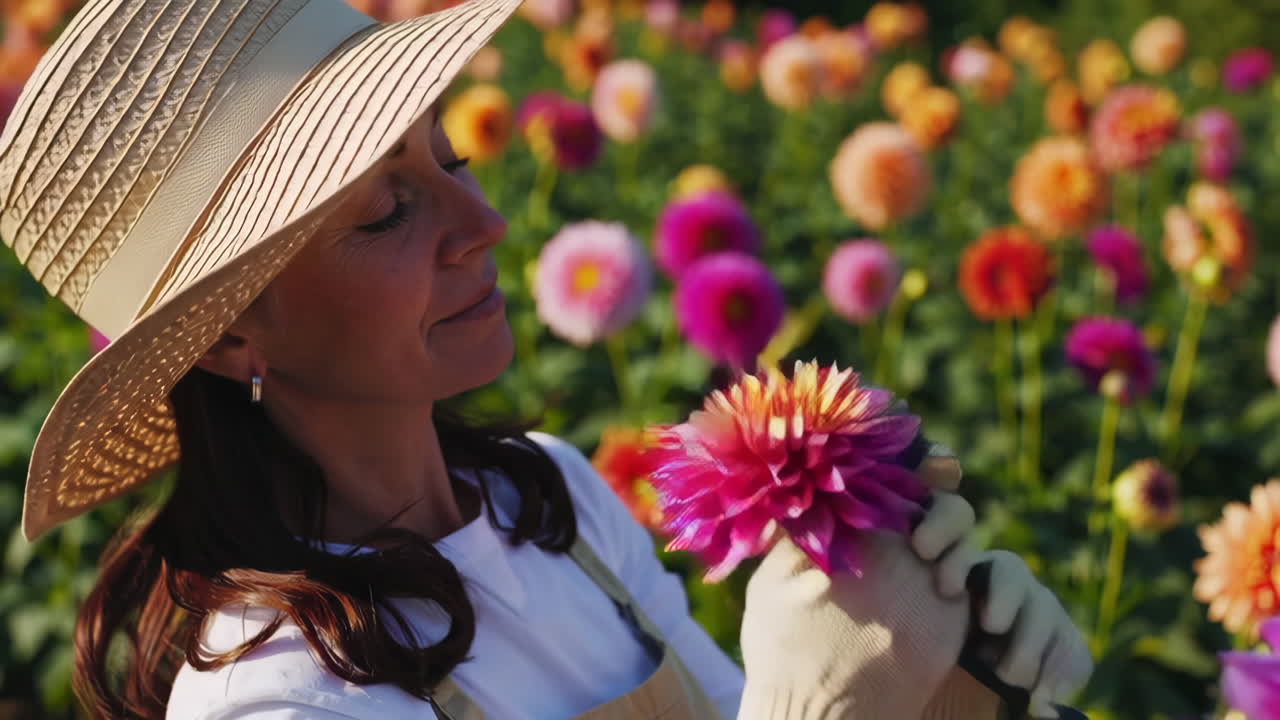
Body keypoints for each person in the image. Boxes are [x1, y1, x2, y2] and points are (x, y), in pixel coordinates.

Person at [0, 0, 1092, 718]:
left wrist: (947, 671)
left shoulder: (548, 493)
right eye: (385, 210)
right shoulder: (280, 695)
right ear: (234, 332)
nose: (482, 220)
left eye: (452, 157)